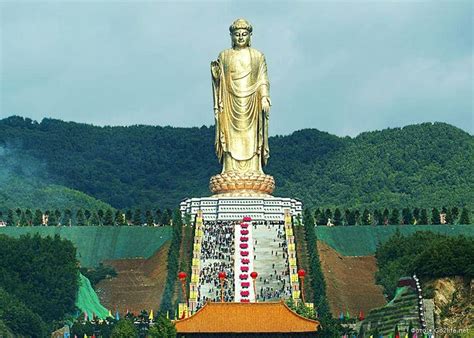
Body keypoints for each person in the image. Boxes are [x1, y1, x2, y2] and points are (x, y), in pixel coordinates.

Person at [211, 18, 271, 174]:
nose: (240, 37)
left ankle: (255, 169)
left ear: (250, 36)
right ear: (232, 36)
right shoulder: (224, 55)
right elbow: (220, 79)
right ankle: (229, 169)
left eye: (244, 34)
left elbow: (263, 79)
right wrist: (216, 76)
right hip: (230, 102)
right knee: (229, 136)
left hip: (252, 102)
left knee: (253, 136)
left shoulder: (258, 56)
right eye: (237, 34)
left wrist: (264, 97)